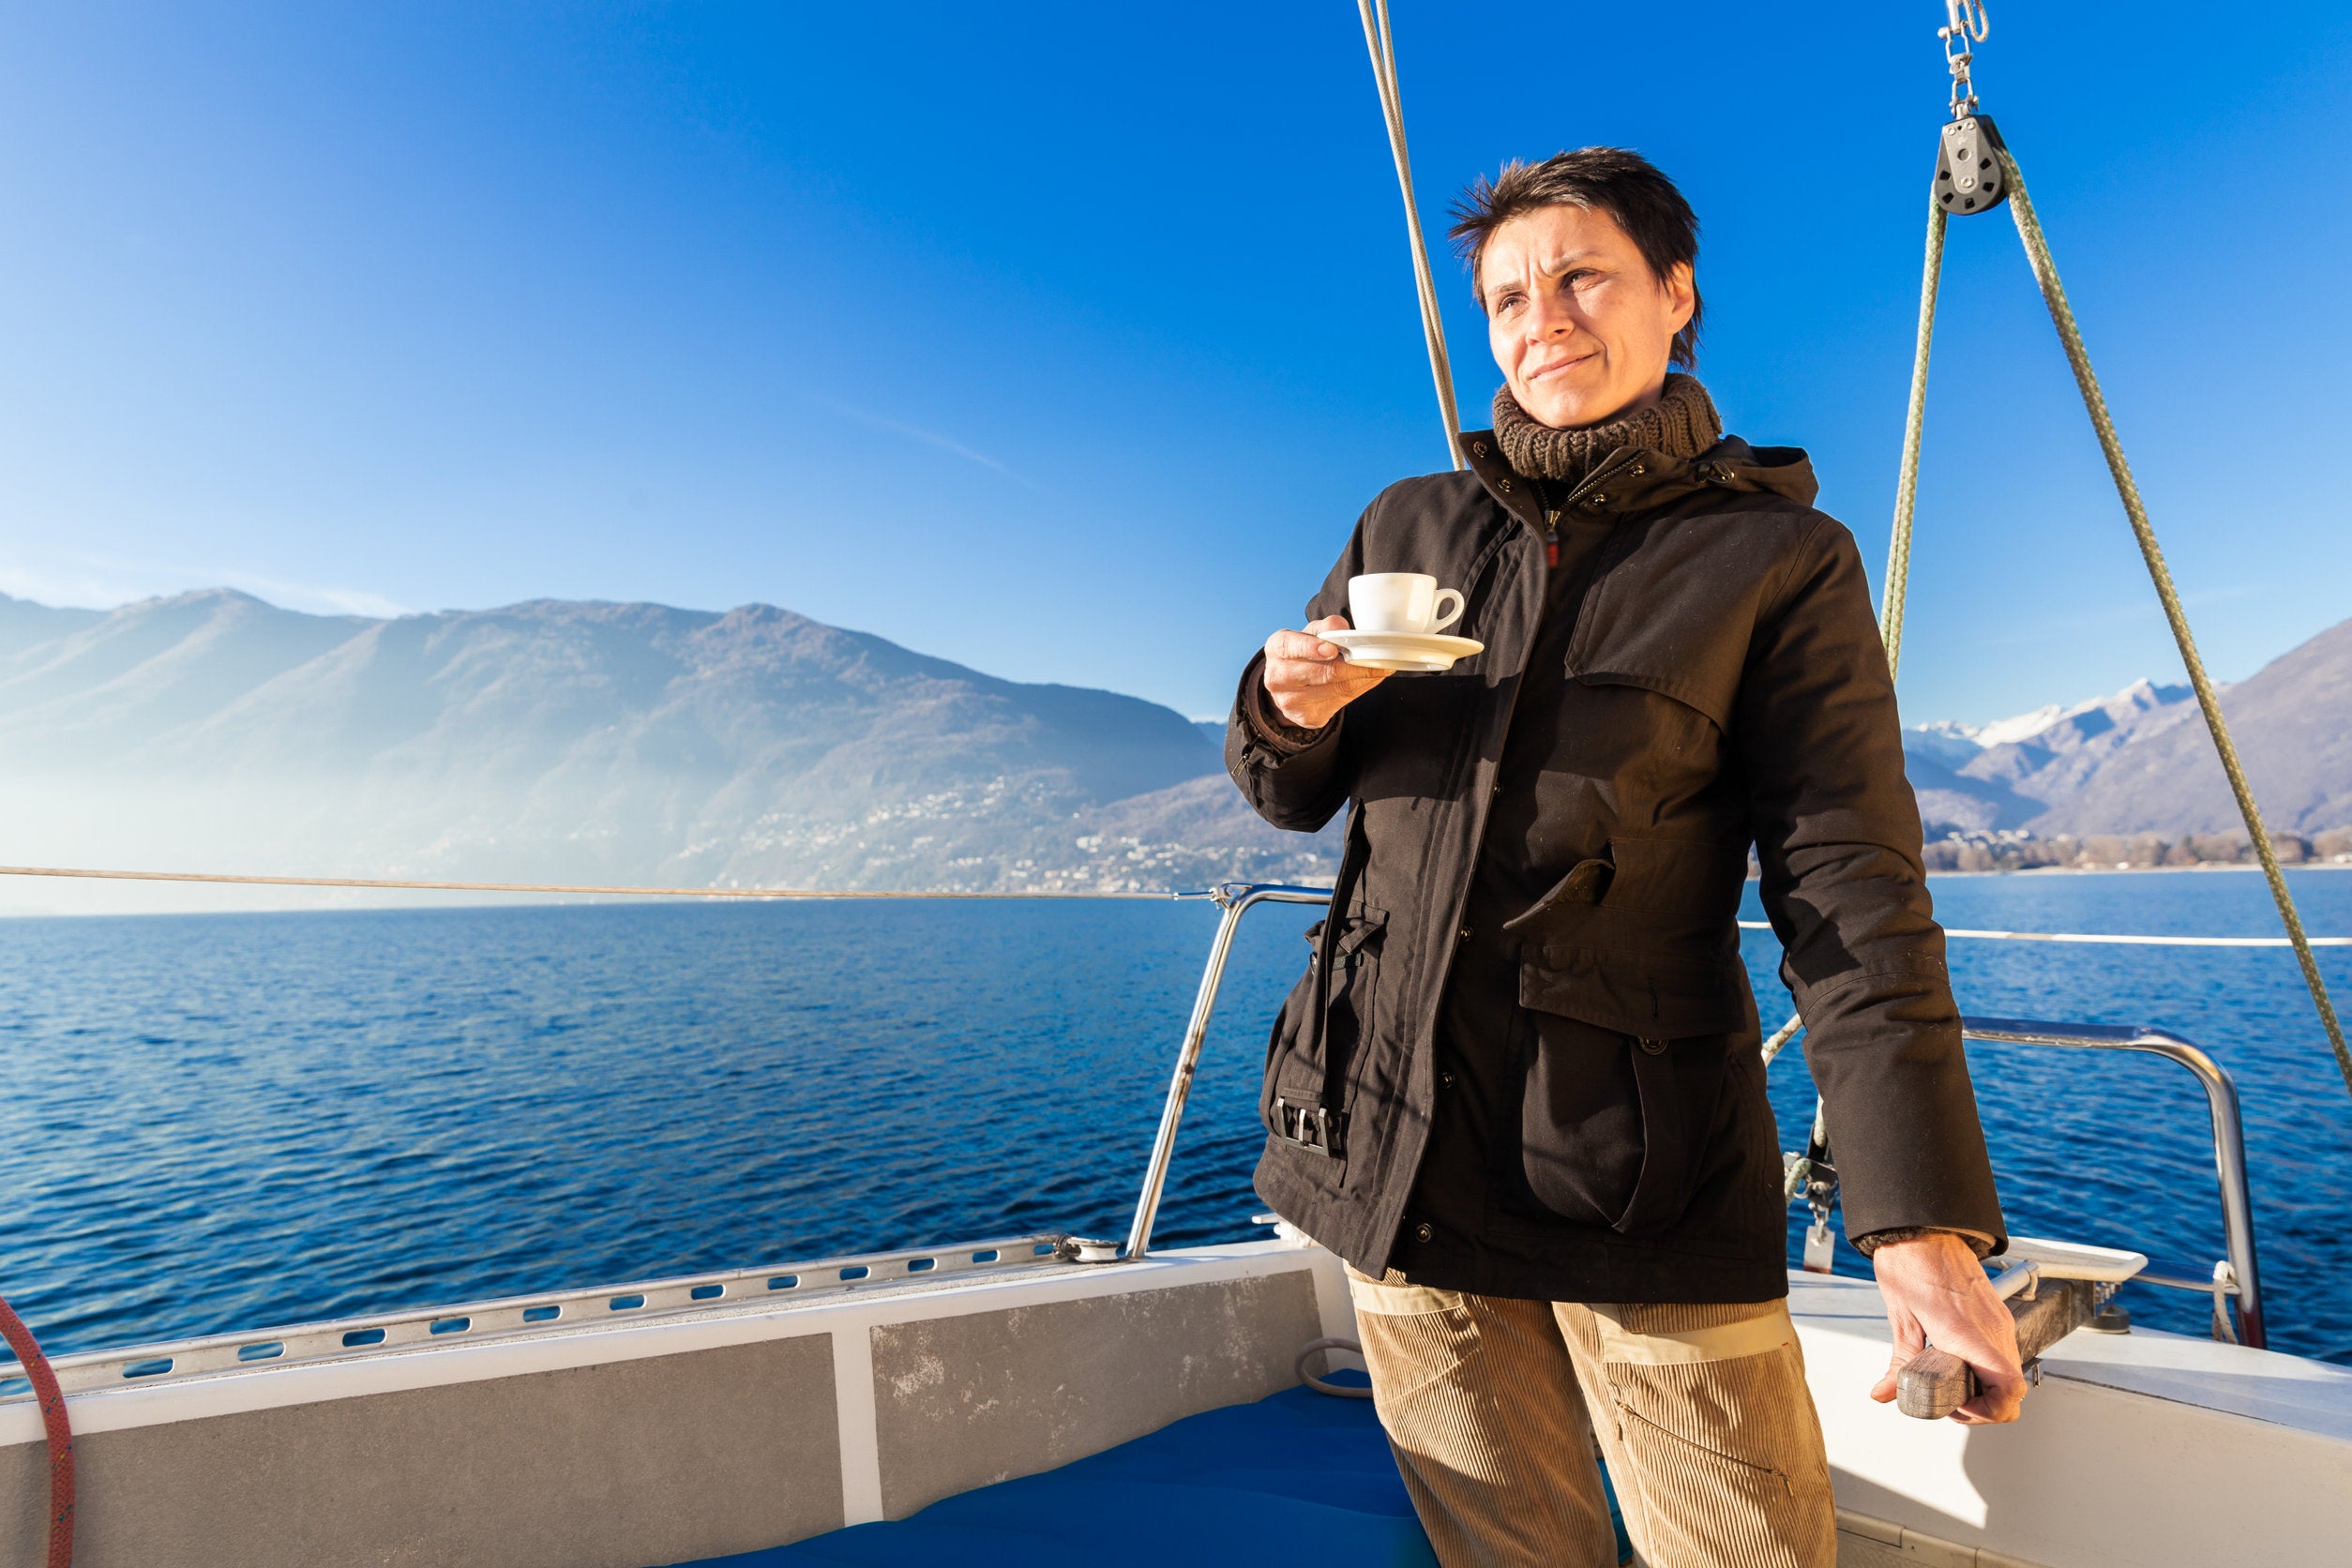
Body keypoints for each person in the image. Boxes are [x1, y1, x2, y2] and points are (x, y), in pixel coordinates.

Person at [1224, 148, 2026, 1568]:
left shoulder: (1779, 558)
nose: (1544, 319)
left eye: (1583, 277)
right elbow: (1294, 794)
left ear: (1674, 295)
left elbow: (1848, 885)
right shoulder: (1407, 524)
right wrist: (1282, 711)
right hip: (1387, 1152)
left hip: (1634, 1175)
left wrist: (1916, 1219)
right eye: (1509, 296)